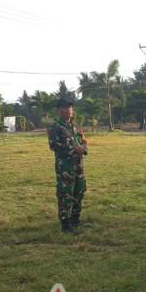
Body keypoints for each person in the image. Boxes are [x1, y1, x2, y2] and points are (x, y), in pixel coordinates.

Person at [47, 98, 88, 234]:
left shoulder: (76, 126)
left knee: (79, 190)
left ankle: (75, 219)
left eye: (70, 107)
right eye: (65, 107)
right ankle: (65, 224)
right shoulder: (56, 127)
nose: (69, 109)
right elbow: (54, 145)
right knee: (66, 194)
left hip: (78, 165)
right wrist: (73, 148)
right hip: (65, 167)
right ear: (59, 110)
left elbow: (83, 140)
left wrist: (83, 148)